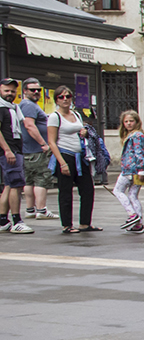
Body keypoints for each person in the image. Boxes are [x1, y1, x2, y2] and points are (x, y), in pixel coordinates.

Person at [45, 87, 98, 234]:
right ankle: (67, 225)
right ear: (56, 100)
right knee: (66, 191)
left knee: (88, 190)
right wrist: (62, 163)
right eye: (61, 97)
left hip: (80, 156)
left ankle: (85, 223)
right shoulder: (54, 117)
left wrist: (84, 132)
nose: (65, 99)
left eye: (67, 96)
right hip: (65, 155)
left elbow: (81, 132)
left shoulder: (76, 114)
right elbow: (52, 142)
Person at [14, 79, 53, 220]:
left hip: (29, 150)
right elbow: (30, 125)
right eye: (32, 90)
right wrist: (43, 144)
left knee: (29, 181)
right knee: (41, 179)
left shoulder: (26, 105)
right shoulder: (28, 105)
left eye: (38, 90)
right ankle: (41, 210)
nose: (36, 92)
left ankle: (30, 209)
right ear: (24, 91)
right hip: (36, 150)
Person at [112, 110, 144, 234]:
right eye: (126, 121)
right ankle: (138, 224)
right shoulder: (138, 135)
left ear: (137, 122)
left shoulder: (136, 136)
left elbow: (139, 153)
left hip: (131, 169)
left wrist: (141, 170)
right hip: (137, 170)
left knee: (117, 190)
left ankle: (132, 215)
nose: (129, 123)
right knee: (132, 195)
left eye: (131, 121)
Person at [0, 80, 31, 233]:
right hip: (10, 151)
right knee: (16, 185)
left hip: (14, 150)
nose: (10, 94)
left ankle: (2, 221)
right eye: (6, 91)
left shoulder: (13, 108)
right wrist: (7, 150)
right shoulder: (1, 108)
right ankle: (16, 220)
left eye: (12, 91)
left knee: (9, 185)